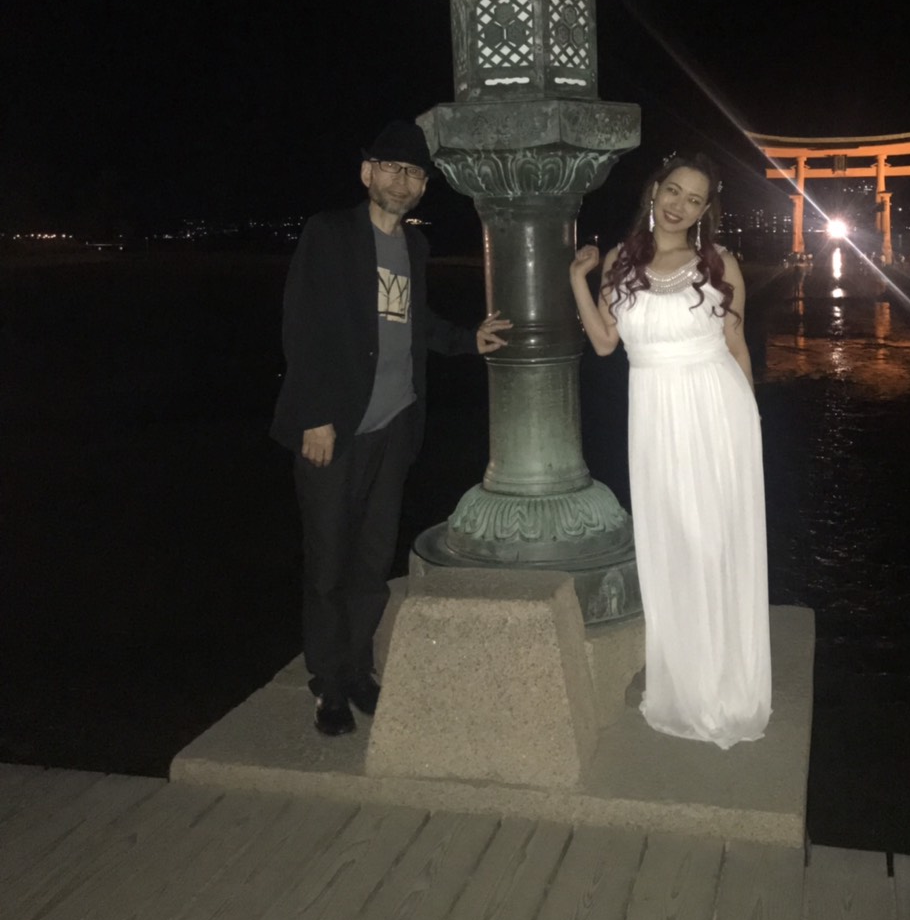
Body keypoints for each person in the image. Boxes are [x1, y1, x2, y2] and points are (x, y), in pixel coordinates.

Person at [271, 121, 510, 737]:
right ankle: (327, 682)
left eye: (415, 173)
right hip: (335, 428)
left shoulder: (415, 247)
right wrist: (315, 416)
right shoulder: (329, 234)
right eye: (393, 169)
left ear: (424, 186)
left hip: (396, 425)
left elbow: (413, 320)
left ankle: (357, 669)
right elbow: (302, 324)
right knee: (328, 562)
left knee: (373, 562)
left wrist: (467, 340)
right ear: (367, 173)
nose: (403, 182)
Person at [569, 154, 771, 747]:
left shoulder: (719, 263)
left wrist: (752, 419)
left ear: (706, 210)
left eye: (694, 199)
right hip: (655, 412)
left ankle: (723, 681)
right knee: (671, 539)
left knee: (714, 541)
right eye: (674, 191)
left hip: (717, 409)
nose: (680, 205)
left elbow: (736, 344)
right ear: (655, 190)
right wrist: (577, 280)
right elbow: (604, 343)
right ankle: (685, 679)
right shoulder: (620, 261)